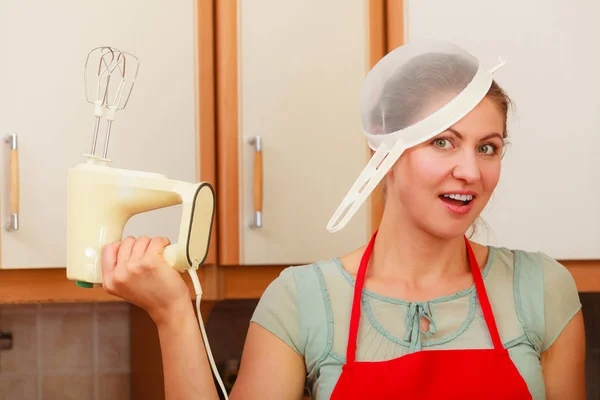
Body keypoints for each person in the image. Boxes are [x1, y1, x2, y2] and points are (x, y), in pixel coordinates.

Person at [99, 40, 586, 399]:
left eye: (488, 148)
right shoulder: (303, 302)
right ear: (383, 152)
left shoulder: (542, 290)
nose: (471, 171)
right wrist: (172, 315)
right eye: (442, 141)